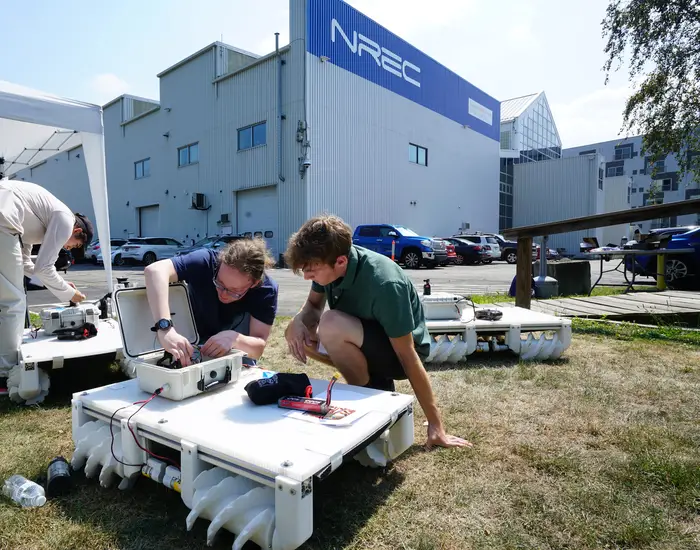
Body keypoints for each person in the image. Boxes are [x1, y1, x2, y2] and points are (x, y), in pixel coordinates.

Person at [283, 214, 472, 450]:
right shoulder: (327, 259)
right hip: (364, 337)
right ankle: (371, 386)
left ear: (340, 261)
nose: (307, 276)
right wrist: (298, 322)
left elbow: (408, 356)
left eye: (311, 271)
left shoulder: (384, 283)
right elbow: (312, 307)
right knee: (302, 335)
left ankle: (368, 394)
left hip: (399, 354)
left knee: (330, 323)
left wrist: (435, 425)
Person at [0, 179, 93, 390]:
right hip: (4, 218)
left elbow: (25, 263)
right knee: (14, 302)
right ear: (77, 232)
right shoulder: (65, 220)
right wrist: (70, 294)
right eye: (74, 245)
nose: (68, 247)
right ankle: (6, 375)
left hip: (6, 217)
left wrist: (58, 283)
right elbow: (44, 268)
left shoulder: (41, 217)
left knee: (6, 297)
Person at [144, 237, 278, 367]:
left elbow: (258, 349)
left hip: (237, 355)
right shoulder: (204, 261)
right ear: (219, 265)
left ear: (254, 283)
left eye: (234, 290)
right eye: (219, 283)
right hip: (193, 342)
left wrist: (236, 339)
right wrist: (165, 329)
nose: (223, 294)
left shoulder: (265, 290)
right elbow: (155, 271)